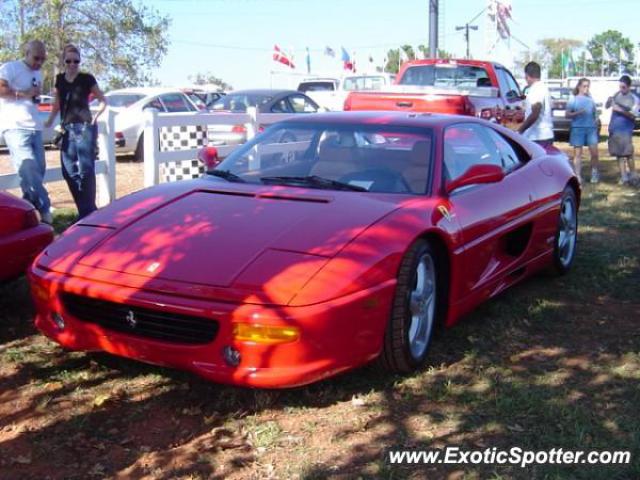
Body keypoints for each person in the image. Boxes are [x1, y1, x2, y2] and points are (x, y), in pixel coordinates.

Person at [45, 44, 107, 218]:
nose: (72, 64)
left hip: (84, 126)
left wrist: (95, 117)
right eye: (69, 61)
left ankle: (86, 214)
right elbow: (57, 103)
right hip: (67, 128)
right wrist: (50, 120)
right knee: (68, 170)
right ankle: (88, 210)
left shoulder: (87, 78)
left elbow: (103, 100)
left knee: (86, 169)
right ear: (64, 61)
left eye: (76, 61)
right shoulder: (59, 79)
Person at [0, 40, 52, 223]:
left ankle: (28, 217)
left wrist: (34, 96)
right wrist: (24, 93)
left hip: (34, 127)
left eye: (42, 59)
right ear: (27, 52)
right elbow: (1, 89)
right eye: (36, 58)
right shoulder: (10, 68)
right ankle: (46, 211)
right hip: (15, 126)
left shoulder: (39, 73)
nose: (39, 62)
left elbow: (33, 99)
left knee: (36, 173)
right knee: (29, 169)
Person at [606, 75, 638, 185]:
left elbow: (633, 116)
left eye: (623, 87)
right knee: (619, 154)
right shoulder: (616, 94)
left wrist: (620, 110)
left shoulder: (634, 99)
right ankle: (624, 177)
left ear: (629, 87)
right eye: (620, 87)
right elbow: (607, 106)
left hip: (625, 130)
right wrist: (608, 101)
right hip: (614, 129)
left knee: (629, 154)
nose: (621, 89)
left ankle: (633, 176)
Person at [566, 78, 600, 183]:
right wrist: (578, 112)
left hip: (591, 129)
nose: (586, 88)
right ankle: (578, 176)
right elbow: (567, 114)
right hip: (577, 129)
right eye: (584, 86)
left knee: (594, 153)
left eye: (588, 86)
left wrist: (596, 121)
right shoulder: (573, 99)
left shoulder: (591, 100)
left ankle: (594, 174)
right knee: (578, 154)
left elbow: (595, 115)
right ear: (579, 87)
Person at [518, 62, 554, 149]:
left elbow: (535, 113)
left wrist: (520, 131)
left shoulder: (536, 89)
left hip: (538, 137)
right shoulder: (543, 87)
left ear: (527, 75)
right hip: (544, 135)